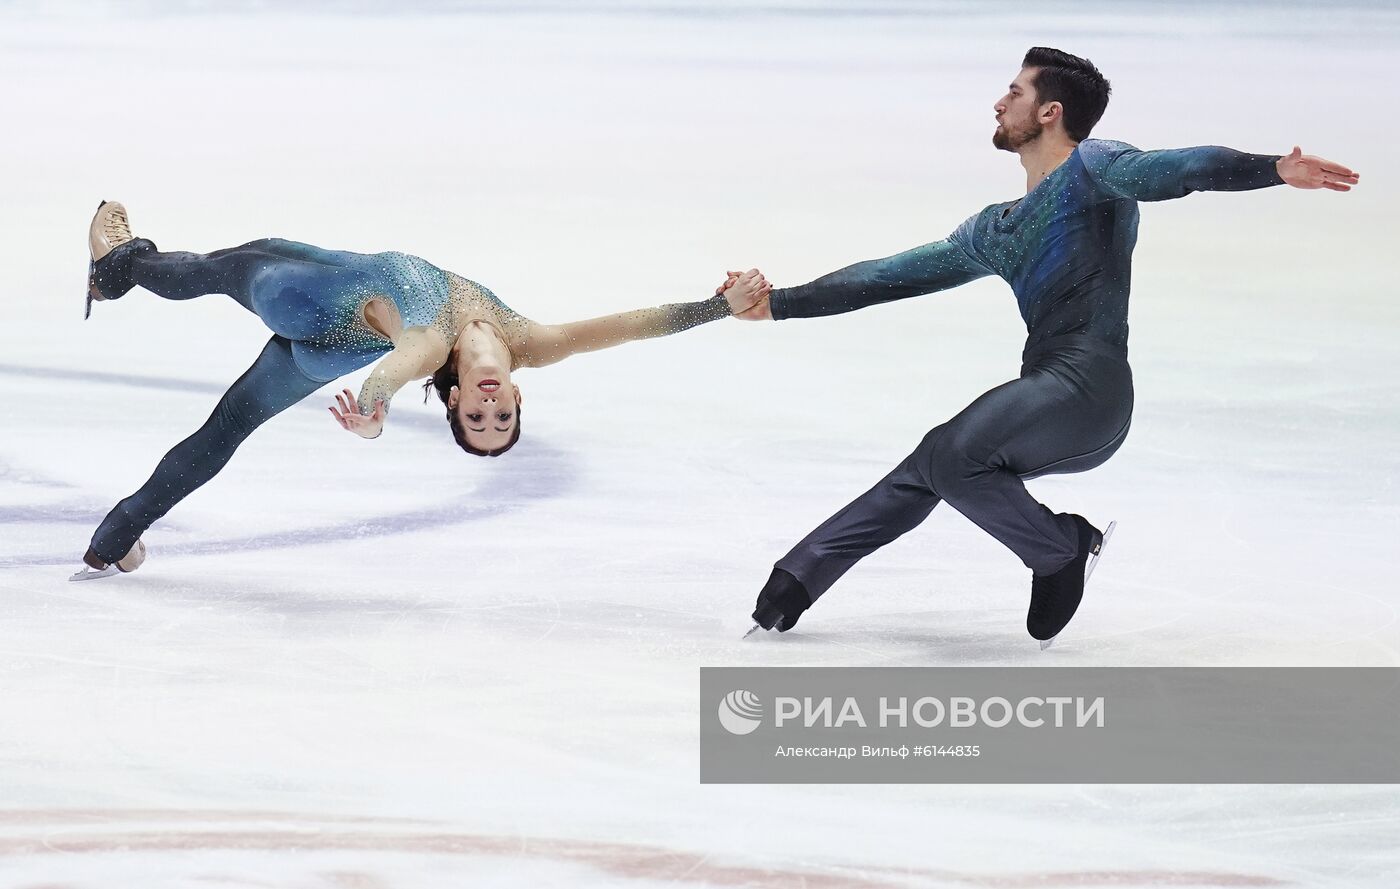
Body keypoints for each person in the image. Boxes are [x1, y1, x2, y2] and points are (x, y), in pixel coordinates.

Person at [722, 46, 1359, 648]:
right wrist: (779, 303)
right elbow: (887, 277)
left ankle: (1061, 549)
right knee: (933, 462)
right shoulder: (997, 228)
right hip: (1046, 396)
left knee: (955, 453)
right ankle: (796, 581)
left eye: (1014, 91)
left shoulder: (1094, 169)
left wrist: (1270, 169)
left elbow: (1177, 169)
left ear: (1050, 112)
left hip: (1088, 393)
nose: (999, 104)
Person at [73, 201, 771, 580]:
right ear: (519, 399)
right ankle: (116, 536)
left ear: (459, 401)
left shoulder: (433, 342)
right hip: (332, 349)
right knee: (226, 429)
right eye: (502, 414)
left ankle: (119, 263)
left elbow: (399, 364)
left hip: (309, 300)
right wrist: (718, 306)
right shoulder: (529, 340)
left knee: (225, 267)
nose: (491, 402)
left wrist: (373, 411)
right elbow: (629, 326)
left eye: (478, 415)